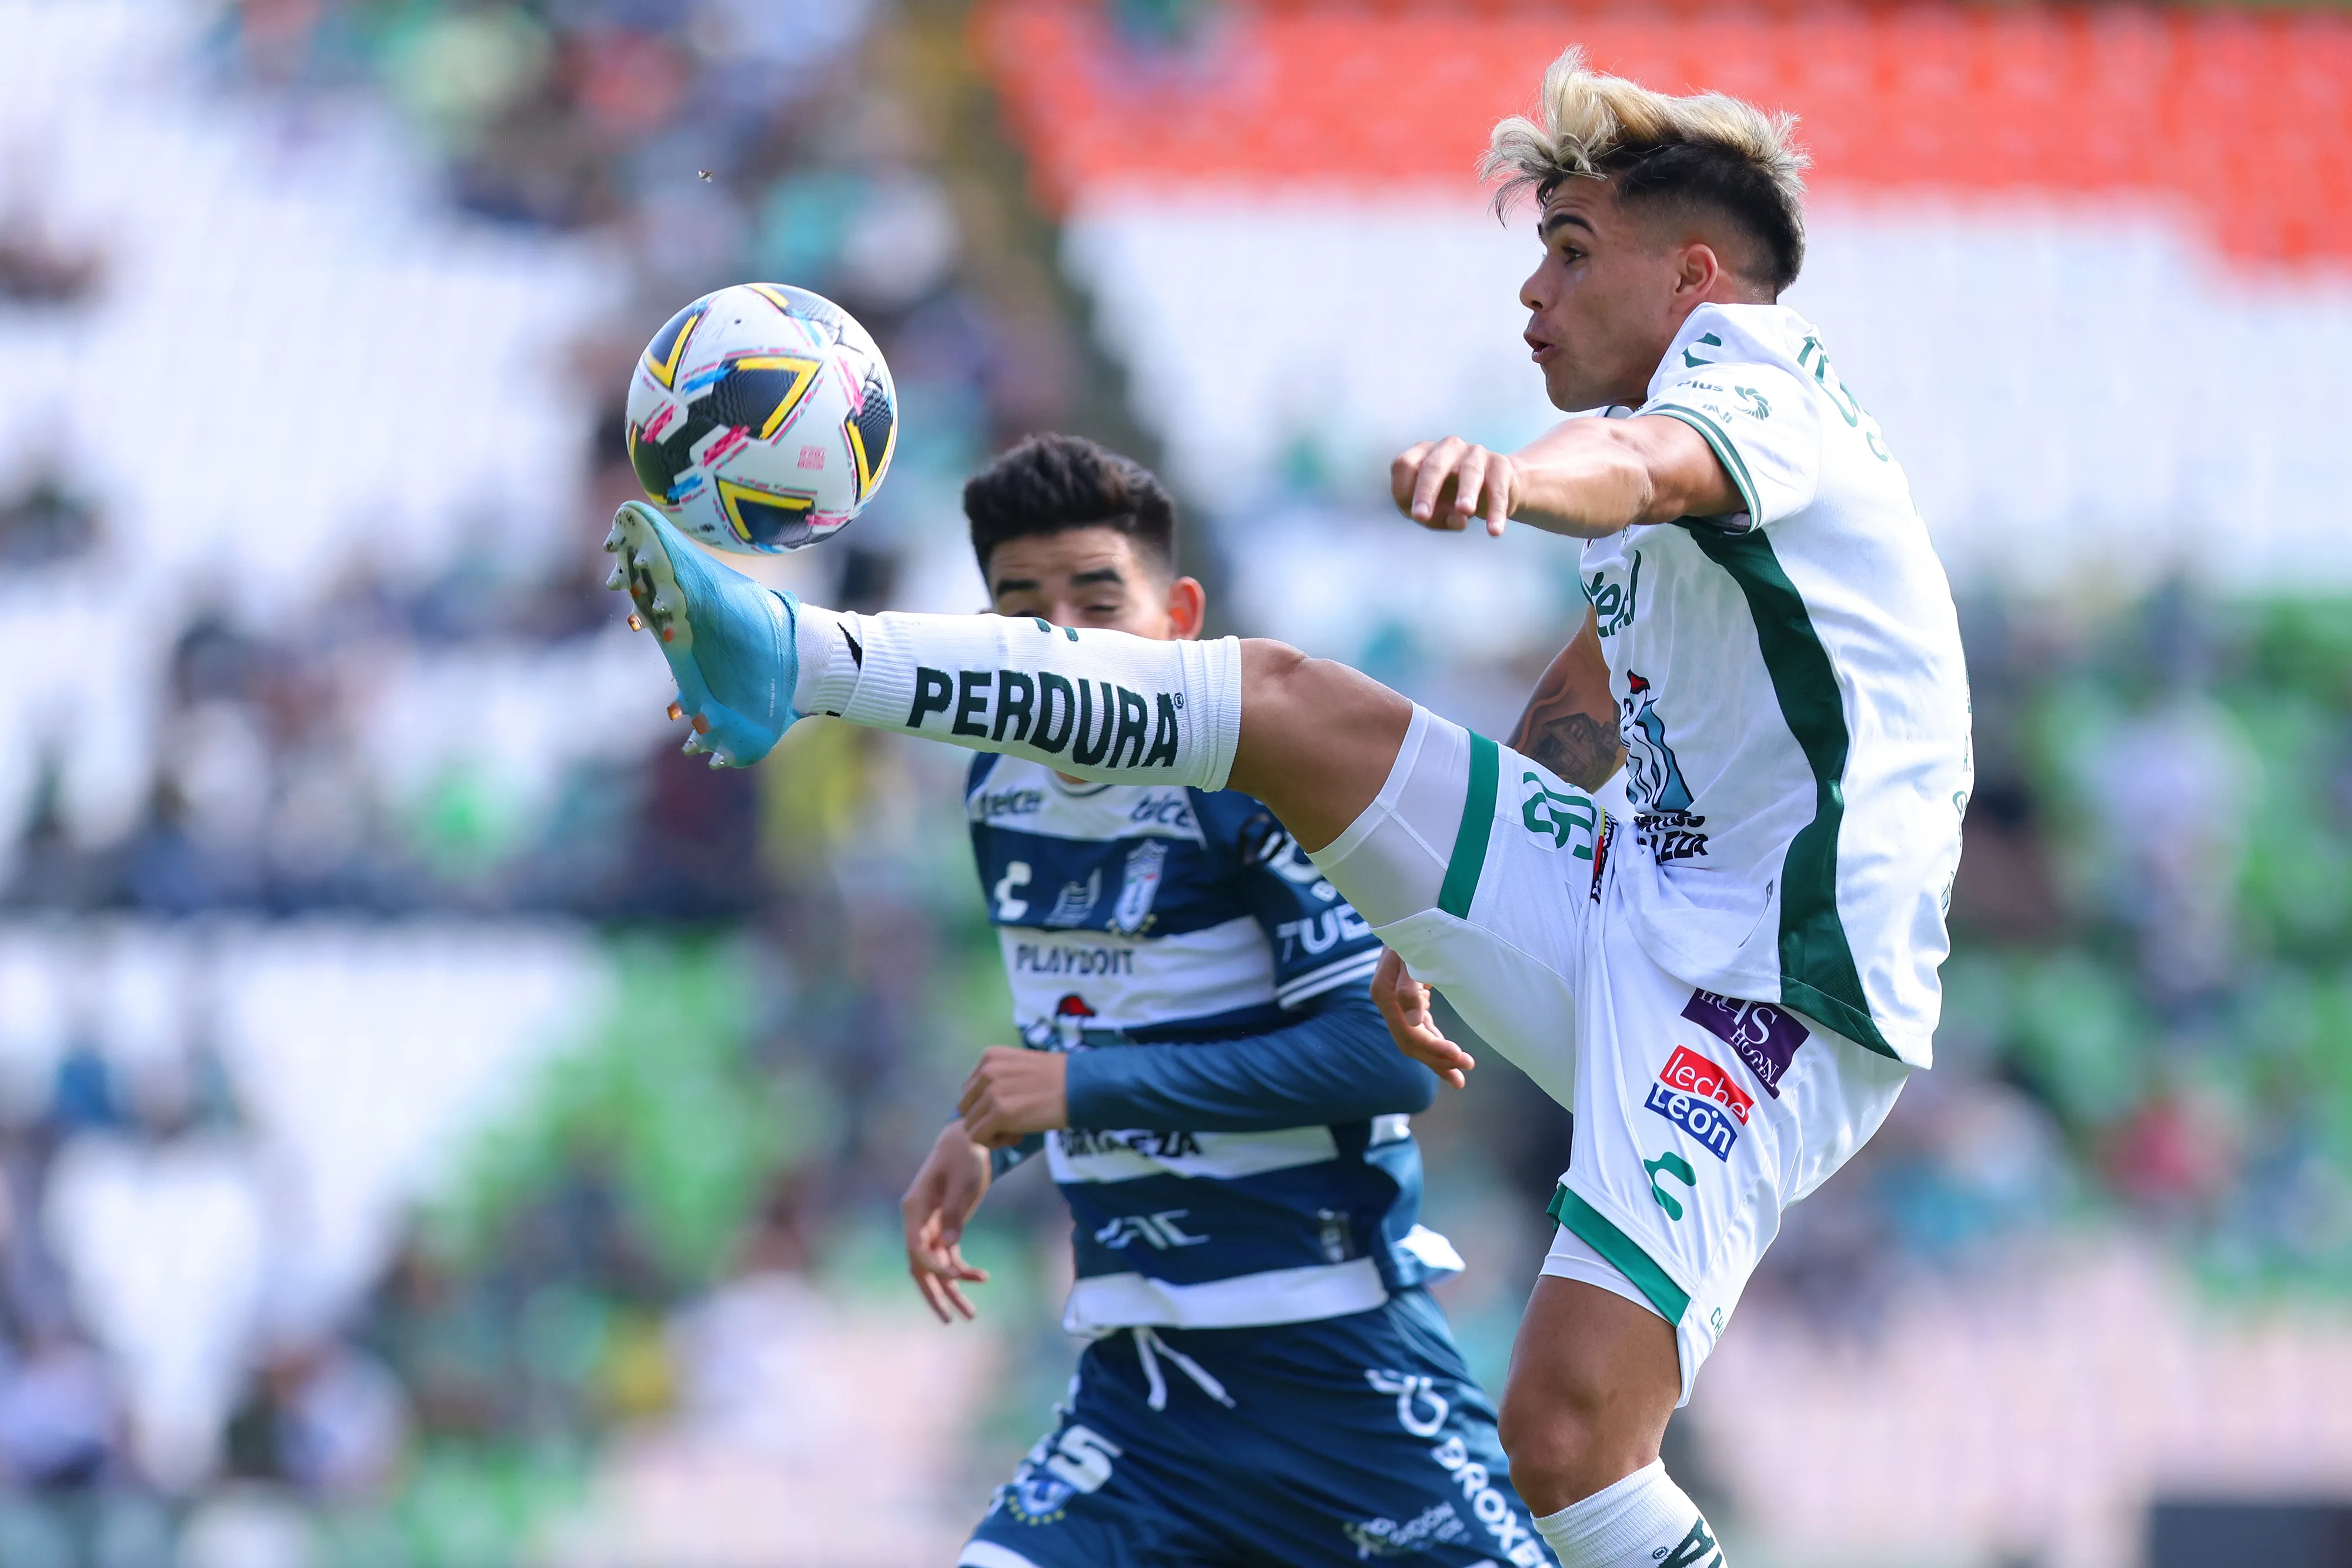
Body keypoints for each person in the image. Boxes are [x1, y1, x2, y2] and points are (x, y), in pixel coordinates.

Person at [604, 48, 1970, 1568]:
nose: (1534, 298)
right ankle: (789, 659)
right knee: (1279, 704)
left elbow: (1640, 468)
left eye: (1571, 254)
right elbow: (1607, 675)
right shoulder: (1695, 449)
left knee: (1571, 1444)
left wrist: (1517, 480)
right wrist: (1435, 911)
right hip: (1631, 897)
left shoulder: (1750, 390)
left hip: (1769, 989)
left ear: (1695, 274)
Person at [895, 433, 1549, 1568]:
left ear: (1181, 618)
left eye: (1099, 599)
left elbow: (1387, 1056)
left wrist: (1074, 1090)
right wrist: (989, 1132)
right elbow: (1106, 1016)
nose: (1061, 638)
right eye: (1022, 608)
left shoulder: (1251, 784)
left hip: (1340, 1371)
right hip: (1141, 1402)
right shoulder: (999, 782)